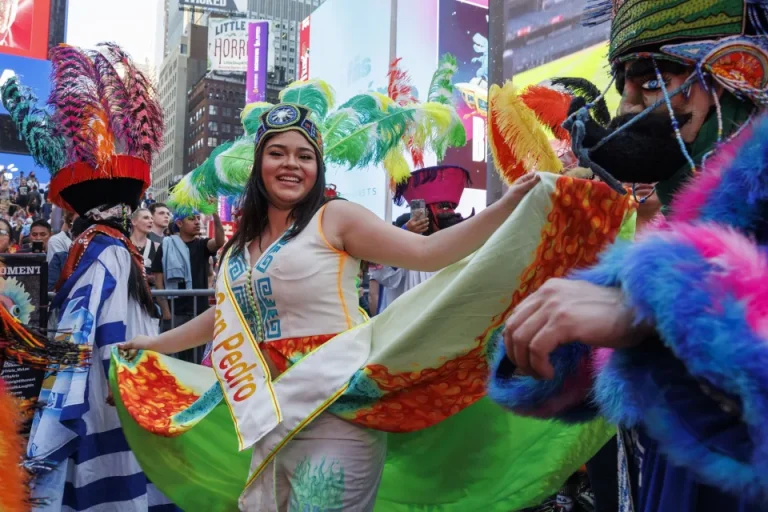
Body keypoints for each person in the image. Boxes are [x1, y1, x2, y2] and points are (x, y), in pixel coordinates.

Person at [120, 100, 538, 510]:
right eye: (277, 153)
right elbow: (226, 317)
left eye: (305, 155)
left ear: (317, 168)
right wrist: (156, 345)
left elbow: (429, 253)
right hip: (272, 414)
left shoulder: (335, 218)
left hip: (337, 412)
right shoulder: (241, 247)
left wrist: (507, 206)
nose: (291, 164)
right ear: (258, 164)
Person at [488, 1, 767, 511]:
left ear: (740, 70)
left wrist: (654, 304)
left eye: (653, 79)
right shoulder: (684, 226)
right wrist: (561, 351)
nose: (626, 108)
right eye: (624, 85)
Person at [2, 43, 177, 510]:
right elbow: (112, 328)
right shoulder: (111, 251)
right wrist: (127, 381)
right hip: (111, 386)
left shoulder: (95, 247)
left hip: (102, 381)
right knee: (116, 473)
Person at [130, 208, 159, 285]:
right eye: (146, 218)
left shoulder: (157, 247)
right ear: (134, 221)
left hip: (150, 294)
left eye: (152, 218)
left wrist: (153, 278)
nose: (151, 221)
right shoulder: (124, 244)